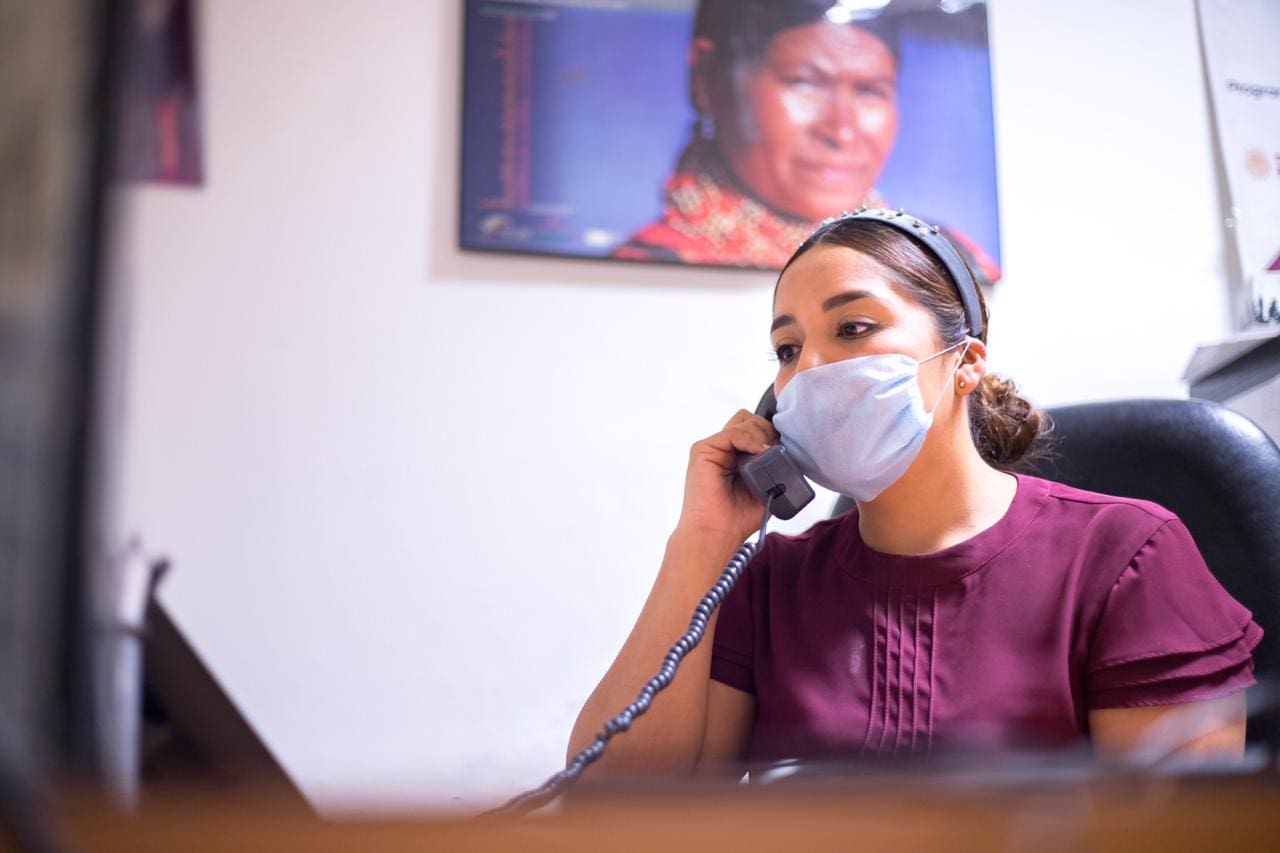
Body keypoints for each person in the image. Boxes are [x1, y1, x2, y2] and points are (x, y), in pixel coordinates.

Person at [568, 209, 1260, 778]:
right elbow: (610, 811)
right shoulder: (768, 583)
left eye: (853, 328)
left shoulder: (1125, 557)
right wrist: (702, 540)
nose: (809, 370)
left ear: (966, 361)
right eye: (787, 349)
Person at [612, 0, 1000, 282]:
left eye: (870, 90)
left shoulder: (953, 259)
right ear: (707, 78)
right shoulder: (649, 262)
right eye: (805, 82)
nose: (841, 130)